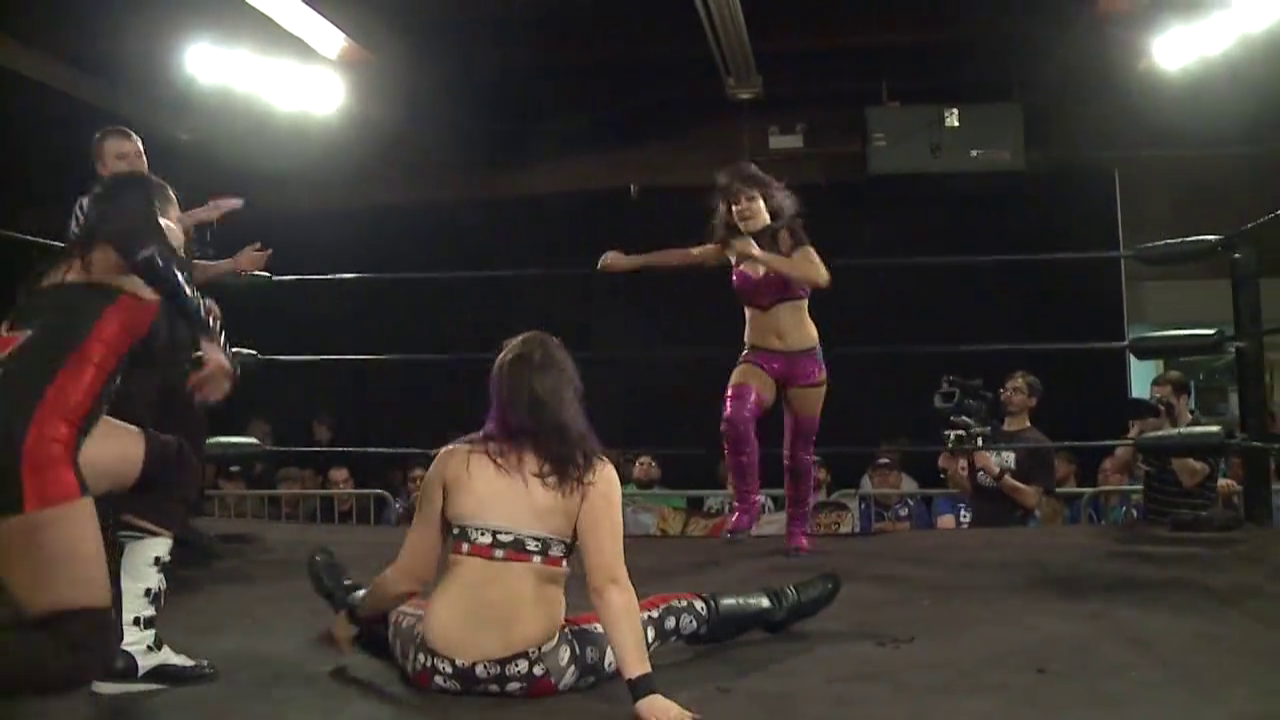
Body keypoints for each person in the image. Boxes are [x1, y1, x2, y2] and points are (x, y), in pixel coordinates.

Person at [306, 331, 840, 717]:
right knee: (671, 613)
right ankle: (778, 604)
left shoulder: (453, 461)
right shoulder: (590, 473)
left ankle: (343, 596)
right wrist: (645, 692)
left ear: (499, 394)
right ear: (567, 394)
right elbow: (609, 586)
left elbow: (408, 576)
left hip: (432, 666)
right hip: (536, 669)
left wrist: (354, 615)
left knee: (396, 610)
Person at [0, 171, 235, 696]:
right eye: (173, 220)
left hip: (42, 423)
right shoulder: (127, 247)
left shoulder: (65, 269)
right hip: (28, 439)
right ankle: (110, 651)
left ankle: (136, 647)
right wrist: (209, 339)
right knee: (77, 650)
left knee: (170, 463)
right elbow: (148, 241)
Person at [597, 162, 832, 555]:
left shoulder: (788, 235)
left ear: (767, 201)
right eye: (735, 203)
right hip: (759, 355)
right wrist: (631, 261)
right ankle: (747, 505)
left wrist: (761, 255)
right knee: (735, 417)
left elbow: (818, 276)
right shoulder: (732, 246)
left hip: (804, 359)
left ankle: (796, 529)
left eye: (749, 199)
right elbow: (686, 255)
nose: (742, 207)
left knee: (799, 452)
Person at [89, 183, 222, 693]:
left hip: (54, 423)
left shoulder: (76, 266)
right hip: (58, 428)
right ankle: (133, 647)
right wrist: (207, 334)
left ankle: (127, 648)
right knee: (172, 469)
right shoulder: (139, 260)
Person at [936, 371, 1055, 527]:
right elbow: (971, 491)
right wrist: (952, 473)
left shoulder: (1039, 444)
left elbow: (1032, 500)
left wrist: (995, 472)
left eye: (1016, 391)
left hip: (1014, 531)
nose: (1008, 395)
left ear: (1031, 401)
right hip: (978, 529)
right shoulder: (985, 436)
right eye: (1005, 390)